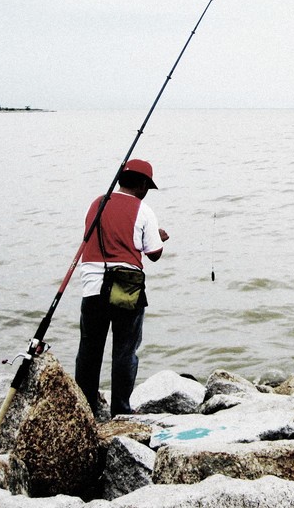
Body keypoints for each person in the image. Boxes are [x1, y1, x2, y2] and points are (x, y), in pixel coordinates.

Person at [75, 159, 169, 416]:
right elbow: (154, 254)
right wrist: (158, 237)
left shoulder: (96, 203)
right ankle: (121, 410)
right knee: (125, 351)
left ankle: (85, 411)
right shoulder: (144, 210)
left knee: (89, 351)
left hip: (93, 286)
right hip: (126, 288)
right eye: (147, 186)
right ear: (142, 184)